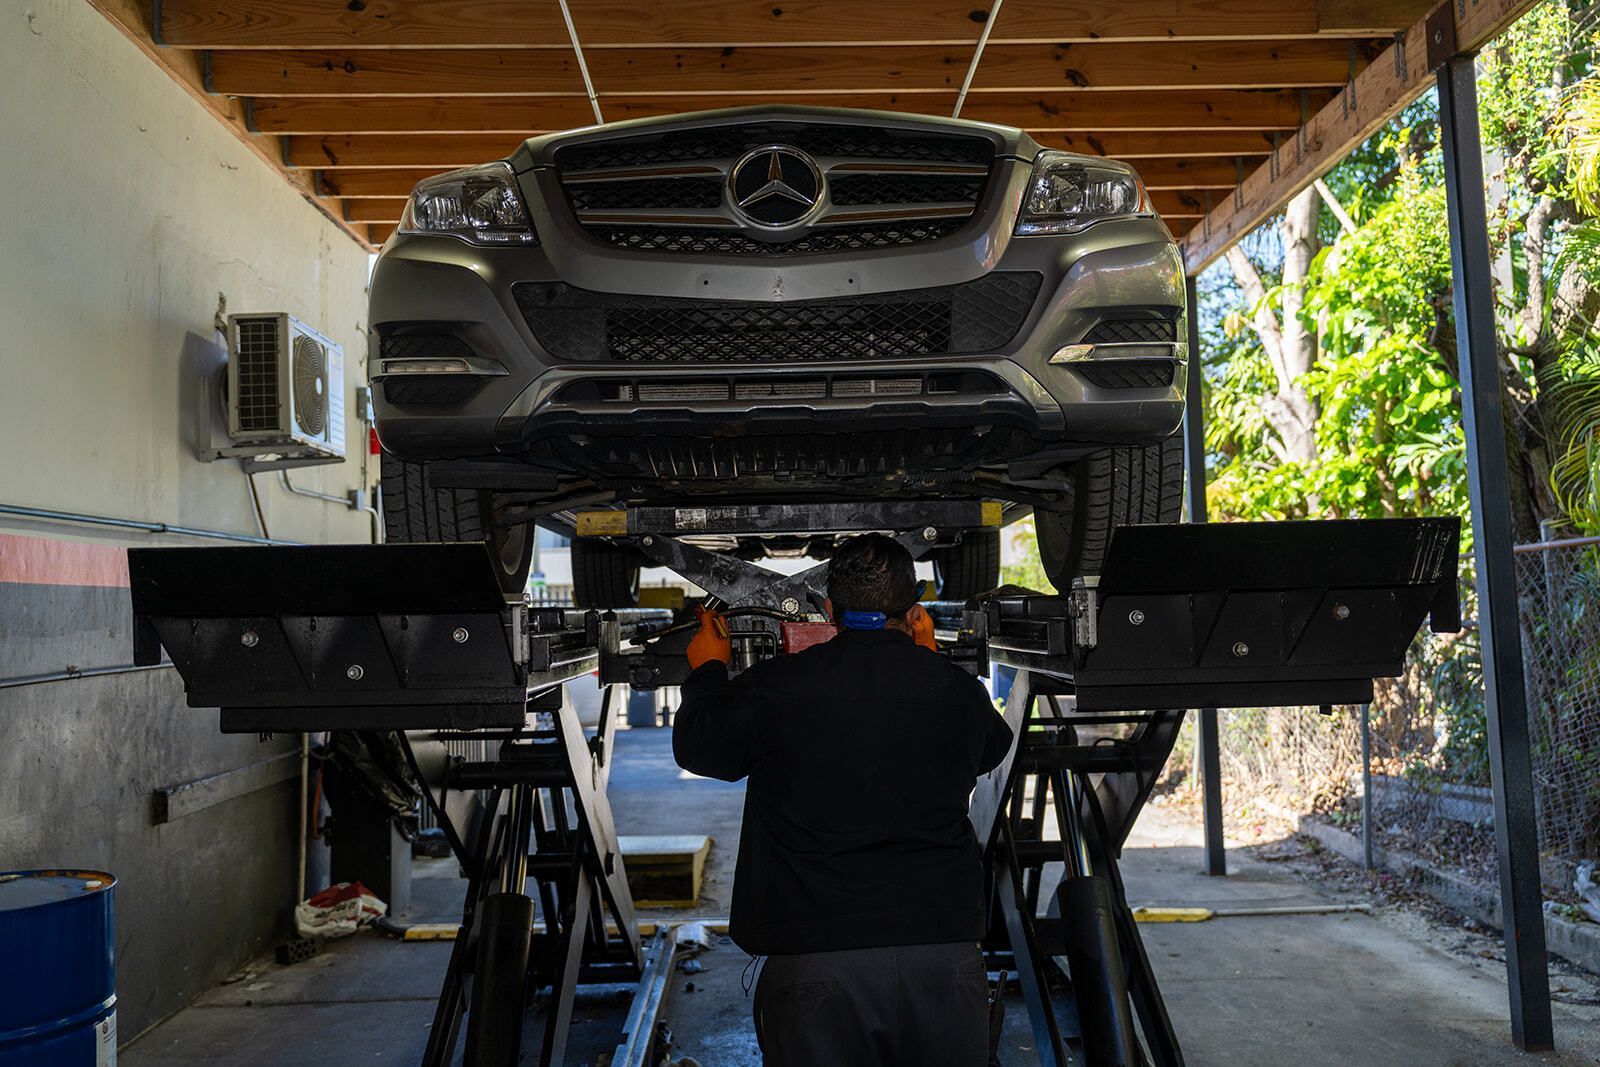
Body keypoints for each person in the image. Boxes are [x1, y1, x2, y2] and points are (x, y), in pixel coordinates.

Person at [672, 533, 1014, 1066]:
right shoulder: (956, 692)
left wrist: (708, 671)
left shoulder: (774, 687)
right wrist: (931, 663)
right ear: (915, 611)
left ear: (830, 610)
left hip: (815, 962)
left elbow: (700, 749)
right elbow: (989, 748)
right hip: (942, 955)